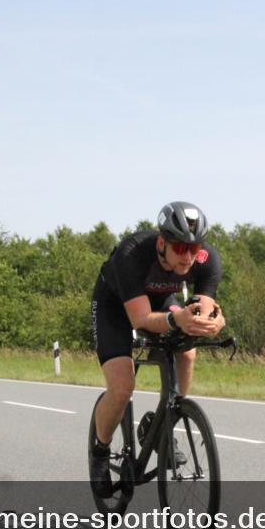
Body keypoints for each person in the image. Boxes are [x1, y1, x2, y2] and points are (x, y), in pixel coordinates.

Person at [89, 202, 225, 496]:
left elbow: (206, 308)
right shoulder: (132, 253)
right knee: (123, 388)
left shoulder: (207, 259)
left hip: (159, 300)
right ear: (162, 243)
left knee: (187, 352)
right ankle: (100, 450)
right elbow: (139, 319)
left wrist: (214, 321)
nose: (188, 256)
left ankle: (167, 420)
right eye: (179, 248)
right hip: (114, 305)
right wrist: (178, 319)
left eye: (194, 247)